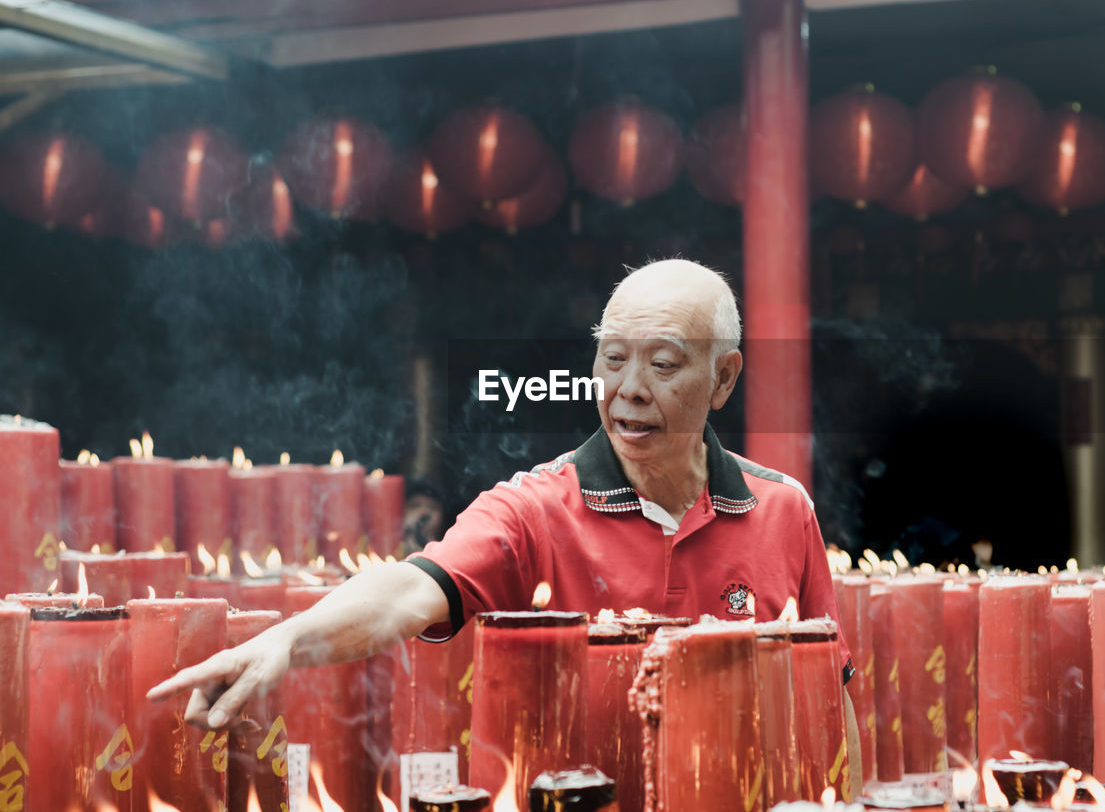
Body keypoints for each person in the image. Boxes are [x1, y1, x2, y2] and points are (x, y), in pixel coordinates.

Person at [148, 258, 862, 793]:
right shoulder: (533, 508)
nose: (629, 388)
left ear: (725, 377)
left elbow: (835, 696)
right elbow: (408, 590)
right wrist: (287, 639)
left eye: (664, 363)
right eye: (612, 358)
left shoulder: (781, 509)